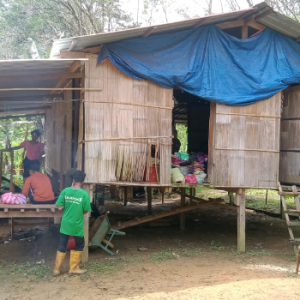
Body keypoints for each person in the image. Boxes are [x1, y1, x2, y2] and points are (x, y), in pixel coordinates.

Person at [53, 170, 91, 276]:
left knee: (62, 244)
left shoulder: (65, 191)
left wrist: (66, 207)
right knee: (79, 245)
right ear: (83, 181)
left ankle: (56, 269)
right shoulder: (84, 194)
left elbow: (59, 206)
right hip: (77, 224)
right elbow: (87, 210)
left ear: (73, 180)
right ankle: (73, 268)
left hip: (65, 223)